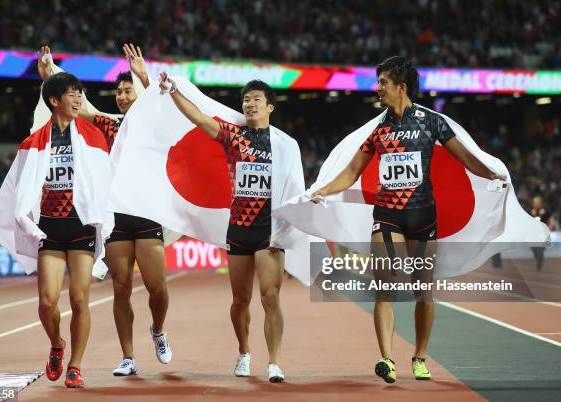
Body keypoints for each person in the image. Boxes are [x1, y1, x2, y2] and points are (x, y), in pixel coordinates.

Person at [311, 56, 506, 383]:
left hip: (423, 217)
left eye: (383, 83)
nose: (378, 89)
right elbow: (351, 172)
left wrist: (493, 174)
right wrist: (322, 190)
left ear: (401, 87)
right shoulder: (377, 129)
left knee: (422, 291)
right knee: (385, 287)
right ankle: (386, 359)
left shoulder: (432, 123)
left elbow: (464, 158)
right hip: (387, 216)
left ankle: (419, 356)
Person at [37, 44, 172, 377]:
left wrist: (144, 75)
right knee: (121, 287)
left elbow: (170, 107)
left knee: (158, 288)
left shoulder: (157, 127)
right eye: (119, 92)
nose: (122, 97)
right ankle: (128, 355)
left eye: (128, 91)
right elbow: (80, 105)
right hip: (117, 218)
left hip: (148, 215)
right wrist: (52, 71)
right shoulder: (111, 126)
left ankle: (158, 329)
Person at [159, 72, 286, 383]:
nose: (250, 104)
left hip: (269, 230)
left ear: (270, 107)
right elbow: (199, 118)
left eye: (257, 99)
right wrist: (174, 92)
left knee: (270, 296)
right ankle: (244, 353)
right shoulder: (234, 136)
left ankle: (274, 363)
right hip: (240, 229)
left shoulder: (284, 145)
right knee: (240, 300)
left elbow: (293, 182)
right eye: (246, 100)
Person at [36, 72, 110, 388]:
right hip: (51, 228)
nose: (79, 100)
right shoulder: (37, 138)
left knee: (79, 300)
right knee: (48, 302)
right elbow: (25, 180)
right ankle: (56, 344)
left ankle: (75, 365)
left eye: (80, 94)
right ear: (55, 101)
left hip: (80, 228)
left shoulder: (93, 136)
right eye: (72, 94)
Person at [530, 195, 552, 271]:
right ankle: (539, 259)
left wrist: (549, 229)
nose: (535, 204)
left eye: (537, 202)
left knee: (540, 251)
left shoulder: (546, 211)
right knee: (534, 250)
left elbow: (551, 221)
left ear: (541, 203)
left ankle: (539, 265)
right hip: (533, 236)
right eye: (534, 202)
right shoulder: (531, 211)